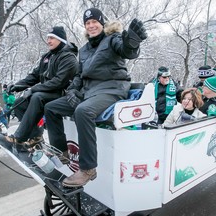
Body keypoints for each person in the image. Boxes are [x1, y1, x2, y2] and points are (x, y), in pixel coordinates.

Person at [44, 8, 147, 187]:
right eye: (88, 23)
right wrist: (73, 90)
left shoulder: (112, 39)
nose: (91, 26)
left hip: (112, 89)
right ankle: (62, 152)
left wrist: (132, 42)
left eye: (94, 22)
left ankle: (88, 168)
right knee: (51, 107)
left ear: (102, 23)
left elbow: (126, 50)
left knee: (82, 111)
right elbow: (79, 75)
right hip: (89, 91)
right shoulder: (83, 50)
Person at [0, 26, 79, 150]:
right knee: (19, 102)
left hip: (62, 93)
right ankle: (35, 138)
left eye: (52, 38)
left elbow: (59, 82)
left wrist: (33, 89)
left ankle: (18, 138)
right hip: (46, 92)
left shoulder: (68, 57)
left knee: (36, 97)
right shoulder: (47, 57)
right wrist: (17, 86)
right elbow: (34, 76)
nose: (48, 41)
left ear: (60, 40)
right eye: (48, 38)